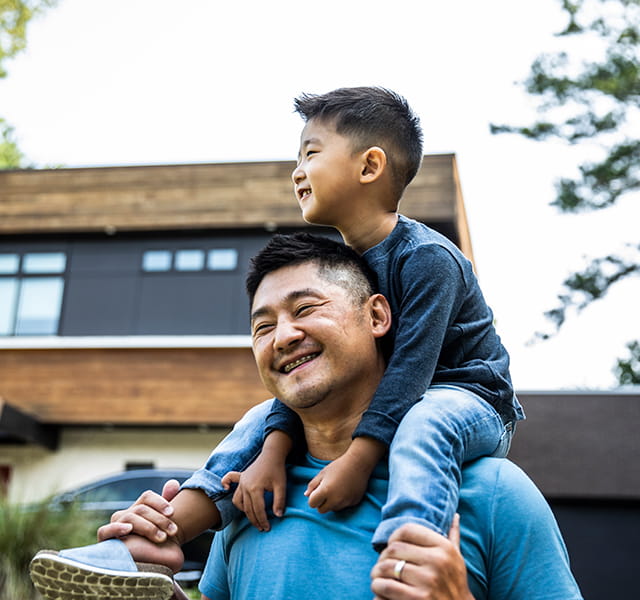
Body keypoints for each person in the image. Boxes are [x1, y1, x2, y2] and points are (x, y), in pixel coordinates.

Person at [30, 234, 582, 600]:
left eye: (305, 308)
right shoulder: (247, 500)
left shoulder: (491, 493)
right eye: (262, 326)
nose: (283, 336)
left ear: (378, 315)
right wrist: (154, 585)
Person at [207, 86, 525, 550]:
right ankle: (172, 526)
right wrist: (274, 449)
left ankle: (408, 549)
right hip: (406, 396)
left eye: (310, 154)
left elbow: (409, 371)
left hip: (472, 400)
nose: (296, 172)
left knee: (425, 424)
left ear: (370, 166)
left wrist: (359, 460)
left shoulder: (428, 259)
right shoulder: (341, 273)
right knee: (261, 417)